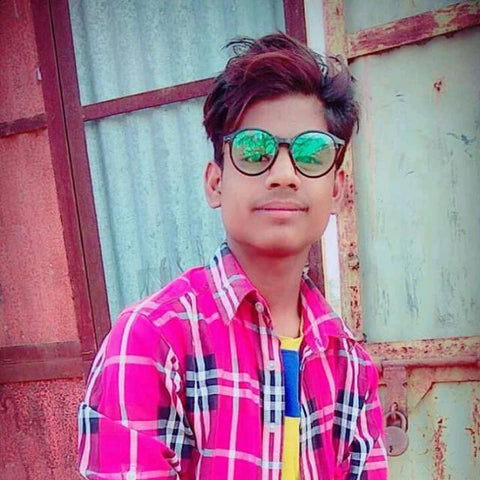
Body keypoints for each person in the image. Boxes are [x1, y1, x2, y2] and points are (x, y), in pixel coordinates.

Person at [78, 33, 388, 480]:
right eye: (254, 151)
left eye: (311, 153)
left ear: (337, 189)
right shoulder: (152, 342)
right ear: (215, 183)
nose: (284, 175)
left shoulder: (349, 363)